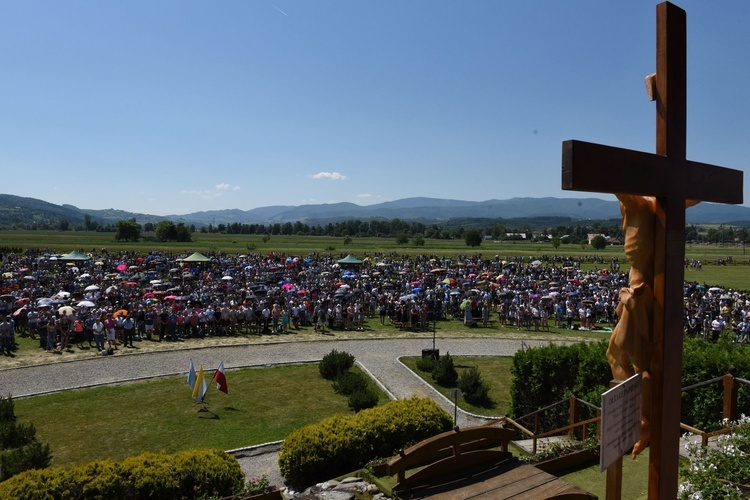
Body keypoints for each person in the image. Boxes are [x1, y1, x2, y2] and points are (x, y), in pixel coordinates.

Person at [607, 193, 698, 458]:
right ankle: (642, 417)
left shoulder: (636, 203)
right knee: (623, 358)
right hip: (640, 293)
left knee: (630, 361)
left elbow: (612, 174)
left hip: (639, 294)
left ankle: (644, 419)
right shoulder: (661, 202)